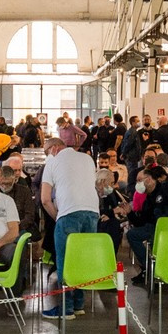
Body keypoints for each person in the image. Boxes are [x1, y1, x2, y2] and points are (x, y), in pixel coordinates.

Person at [40, 125, 100, 317]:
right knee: (82, 260)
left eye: (47, 152)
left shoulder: (53, 162)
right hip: (92, 212)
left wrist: (58, 217)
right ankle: (79, 305)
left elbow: (45, 199)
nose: (47, 156)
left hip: (69, 214)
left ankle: (66, 308)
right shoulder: (88, 158)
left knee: (65, 261)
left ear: (54, 148)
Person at [125, 161, 168, 286]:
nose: (137, 184)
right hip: (154, 229)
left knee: (155, 238)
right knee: (132, 234)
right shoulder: (148, 199)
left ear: (149, 179)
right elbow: (141, 222)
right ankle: (149, 268)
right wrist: (129, 213)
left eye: (139, 180)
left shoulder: (167, 188)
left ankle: (158, 270)